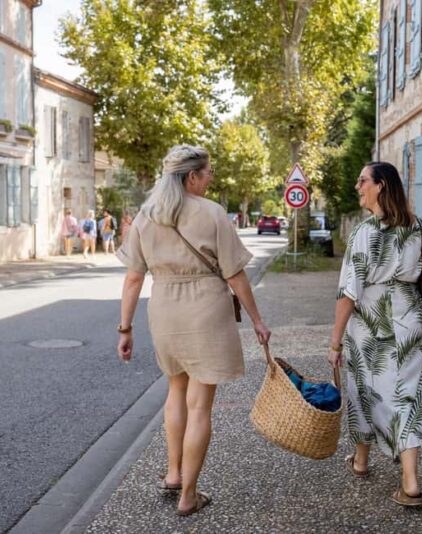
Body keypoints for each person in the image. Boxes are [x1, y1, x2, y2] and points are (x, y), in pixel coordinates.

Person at [116, 144, 271, 517]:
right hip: (205, 310)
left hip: (164, 311)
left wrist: (125, 328)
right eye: (208, 173)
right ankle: (189, 494)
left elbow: (134, 278)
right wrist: (256, 319)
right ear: (192, 177)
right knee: (200, 405)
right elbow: (235, 274)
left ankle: (173, 473)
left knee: (175, 391)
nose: (211, 178)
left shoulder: (145, 216)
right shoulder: (213, 214)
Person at [327, 161, 422, 508]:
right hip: (408, 320)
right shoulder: (420, 226)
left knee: (363, 389)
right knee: (408, 398)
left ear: (381, 185)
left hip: (371, 324)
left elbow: (348, 293)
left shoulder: (365, 232)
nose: (358, 187)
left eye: (362, 181)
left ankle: (361, 461)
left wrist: (335, 340)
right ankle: (410, 480)